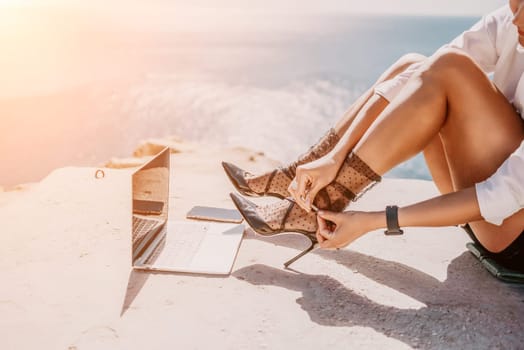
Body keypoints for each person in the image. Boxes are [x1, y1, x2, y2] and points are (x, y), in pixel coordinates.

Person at [224, 1, 524, 271]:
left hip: (510, 232)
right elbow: (421, 75)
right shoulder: (508, 21)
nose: (518, 18)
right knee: (415, 63)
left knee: (451, 68)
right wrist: (333, 155)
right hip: (481, 208)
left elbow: (504, 194)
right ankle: (304, 170)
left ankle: (326, 199)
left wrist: (374, 220)